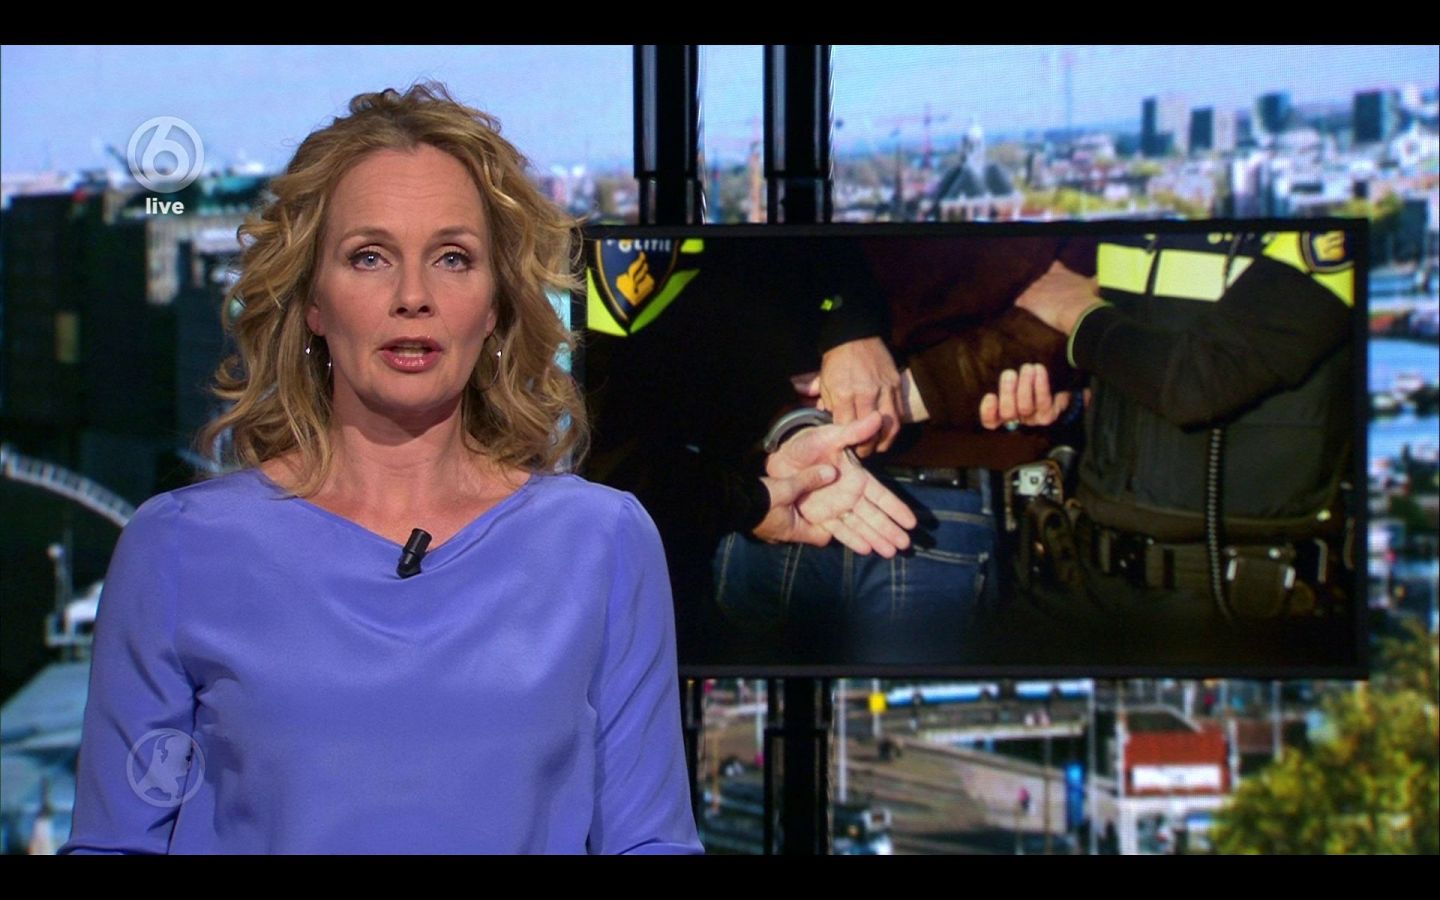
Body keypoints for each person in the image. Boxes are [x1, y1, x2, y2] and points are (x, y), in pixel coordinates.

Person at [59, 83, 708, 854]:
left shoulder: (603, 544)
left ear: (497, 303)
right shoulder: (177, 550)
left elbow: (651, 842)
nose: (412, 297)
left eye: (453, 258)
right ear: (313, 301)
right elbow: (114, 843)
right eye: (369, 257)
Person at [976, 229, 1356, 667]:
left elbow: (1199, 383)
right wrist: (1069, 396)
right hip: (1082, 574)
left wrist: (1074, 312)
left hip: (1237, 604)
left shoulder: (1322, 235)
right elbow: (1130, 357)